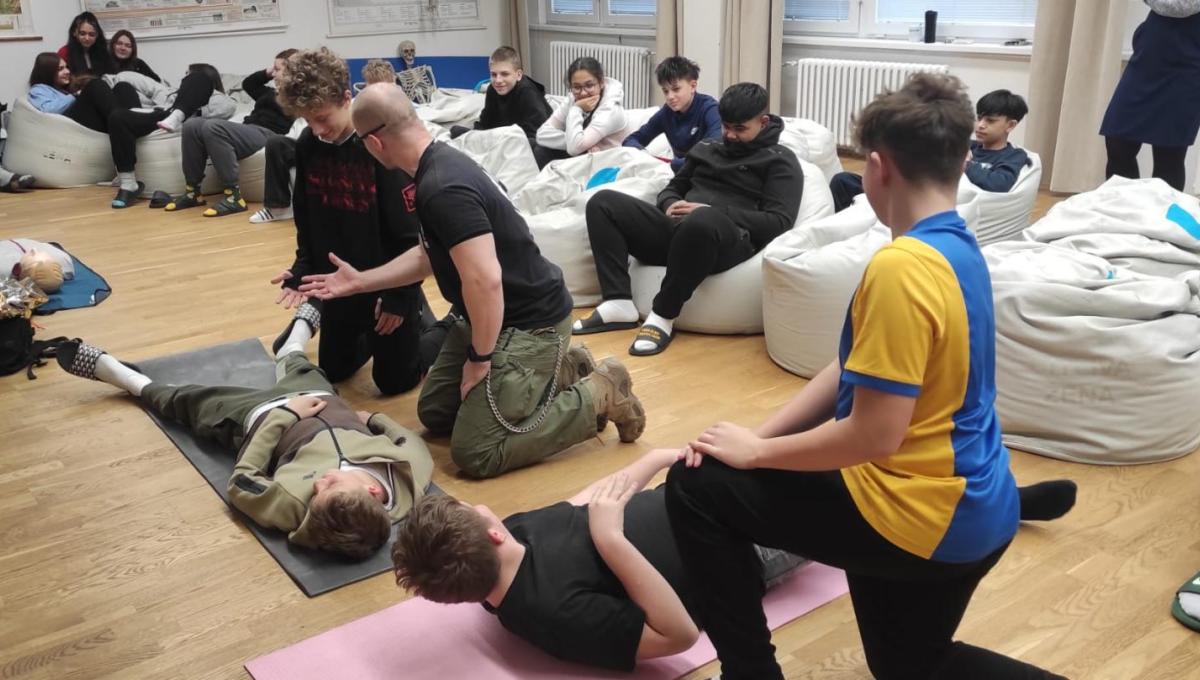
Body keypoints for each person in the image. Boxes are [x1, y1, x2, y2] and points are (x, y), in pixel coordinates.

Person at [663, 73, 1071, 680]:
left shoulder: (900, 269)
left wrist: (758, 456)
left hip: (921, 514)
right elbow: (854, 368)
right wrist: (759, 439)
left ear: (876, 168)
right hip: (979, 502)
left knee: (695, 488)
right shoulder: (961, 245)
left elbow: (873, 435)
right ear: (962, 161)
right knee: (909, 666)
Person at [299, 83, 647, 480]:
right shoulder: (433, 168)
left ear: (375, 143)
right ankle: (568, 368)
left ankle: (601, 391)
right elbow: (428, 254)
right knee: (436, 413)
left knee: (477, 451)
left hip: (531, 325)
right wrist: (361, 281)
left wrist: (480, 360)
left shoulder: (442, 187)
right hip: (489, 316)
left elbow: (486, 282)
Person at [53, 316, 435, 560]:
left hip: (260, 416)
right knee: (300, 364)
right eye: (330, 485)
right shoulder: (407, 477)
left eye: (316, 492)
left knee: (186, 401)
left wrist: (284, 416)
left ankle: (123, 376)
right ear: (372, 491)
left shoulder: (294, 509)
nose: (319, 483)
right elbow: (413, 443)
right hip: (322, 399)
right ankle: (293, 341)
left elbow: (242, 482)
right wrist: (376, 419)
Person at [391, 448, 807, 671]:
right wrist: (611, 541)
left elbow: (587, 503)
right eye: (470, 507)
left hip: (693, 498)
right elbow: (679, 635)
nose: (478, 505)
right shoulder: (556, 615)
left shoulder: (509, 539)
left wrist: (658, 458)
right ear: (492, 534)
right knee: (833, 496)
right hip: (746, 550)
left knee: (791, 450)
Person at [576, 82, 801, 357]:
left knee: (702, 220)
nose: (730, 135)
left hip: (728, 241)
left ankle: (663, 315)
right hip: (679, 232)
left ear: (763, 122)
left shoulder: (781, 161)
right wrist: (669, 203)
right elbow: (672, 188)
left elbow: (779, 222)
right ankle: (618, 301)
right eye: (725, 127)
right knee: (603, 202)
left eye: (739, 129)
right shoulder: (707, 146)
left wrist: (711, 210)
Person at [270, 47, 444, 396]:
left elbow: (412, 235)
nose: (317, 129)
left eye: (323, 118)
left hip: (386, 279)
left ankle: (445, 324)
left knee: (394, 382)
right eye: (307, 120)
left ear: (347, 98)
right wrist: (302, 267)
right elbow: (306, 215)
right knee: (334, 370)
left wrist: (400, 296)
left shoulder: (379, 147)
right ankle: (373, 327)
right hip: (341, 282)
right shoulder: (308, 144)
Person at [829, 88, 1031, 211]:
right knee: (843, 181)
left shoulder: (1014, 156)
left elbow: (998, 184)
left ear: (1011, 125)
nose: (980, 125)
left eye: (990, 121)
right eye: (979, 118)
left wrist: (964, 163)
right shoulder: (964, 143)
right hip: (911, 187)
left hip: (927, 201)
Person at [164, 48, 299, 218]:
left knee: (213, 126)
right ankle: (193, 192)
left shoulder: (296, 97)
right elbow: (248, 84)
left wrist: (291, 82)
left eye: (277, 69)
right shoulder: (268, 93)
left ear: (291, 72)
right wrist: (268, 72)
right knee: (192, 125)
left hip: (269, 134)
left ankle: (233, 196)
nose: (274, 74)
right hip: (247, 129)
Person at [1101, 0, 1200, 191]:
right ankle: (1125, 206)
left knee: (1168, 153)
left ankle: (1161, 211)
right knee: (1117, 142)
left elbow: (1182, 6)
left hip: (1188, 62)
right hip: (1149, 55)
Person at [622, 56, 721, 173]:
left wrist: (671, 164)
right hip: (677, 173)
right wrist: (643, 154)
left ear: (693, 86)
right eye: (665, 91)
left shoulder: (710, 110)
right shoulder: (666, 113)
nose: (670, 97)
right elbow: (631, 140)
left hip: (705, 173)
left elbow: (714, 150)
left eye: (676, 89)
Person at [534, 57, 629, 169]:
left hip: (606, 163)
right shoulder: (573, 99)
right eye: (577, 87)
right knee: (538, 148)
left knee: (544, 152)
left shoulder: (611, 110)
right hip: (585, 155)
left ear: (601, 83)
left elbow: (574, 148)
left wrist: (576, 109)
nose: (583, 93)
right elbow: (541, 134)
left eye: (589, 85)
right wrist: (577, 141)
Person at [450, 46, 551, 140]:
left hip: (523, 138)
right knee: (455, 131)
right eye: (494, 74)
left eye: (504, 74)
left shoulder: (528, 93)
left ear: (519, 75)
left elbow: (537, 135)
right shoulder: (492, 89)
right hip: (501, 135)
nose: (498, 80)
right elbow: (485, 123)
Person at [1, 239, 74, 293]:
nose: (34, 250)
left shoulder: (4, 269)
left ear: (17, 269)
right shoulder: (62, 258)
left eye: (32, 255)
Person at [58, 12, 113, 78]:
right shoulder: (65, 52)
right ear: (74, 32)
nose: (87, 38)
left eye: (91, 34)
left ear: (97, 35)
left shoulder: (103, 51)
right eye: (82, 34)